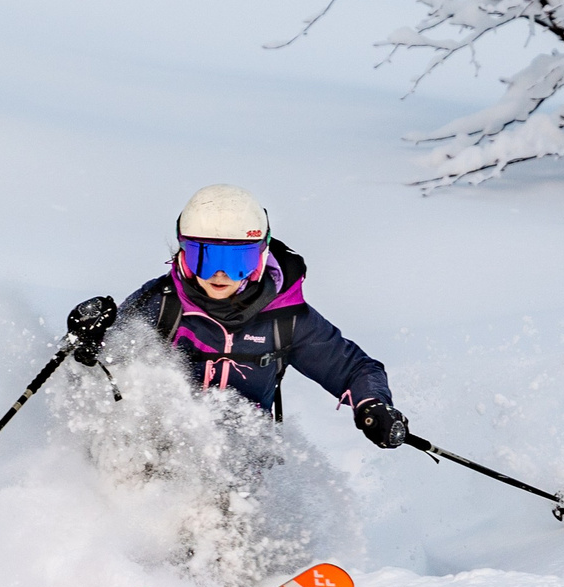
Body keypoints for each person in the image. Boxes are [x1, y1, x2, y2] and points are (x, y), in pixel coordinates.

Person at [84, 184, 409, 448]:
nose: (221, 274)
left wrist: (372, 405)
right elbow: (95, 369)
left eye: (238, 259)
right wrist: (88, 335)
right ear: (183, 253)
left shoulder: (285, 318)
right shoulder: (161, 306)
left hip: (243, 469)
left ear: (260, 257)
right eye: (205, 258)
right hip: (159, 456)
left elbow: (353, 368)